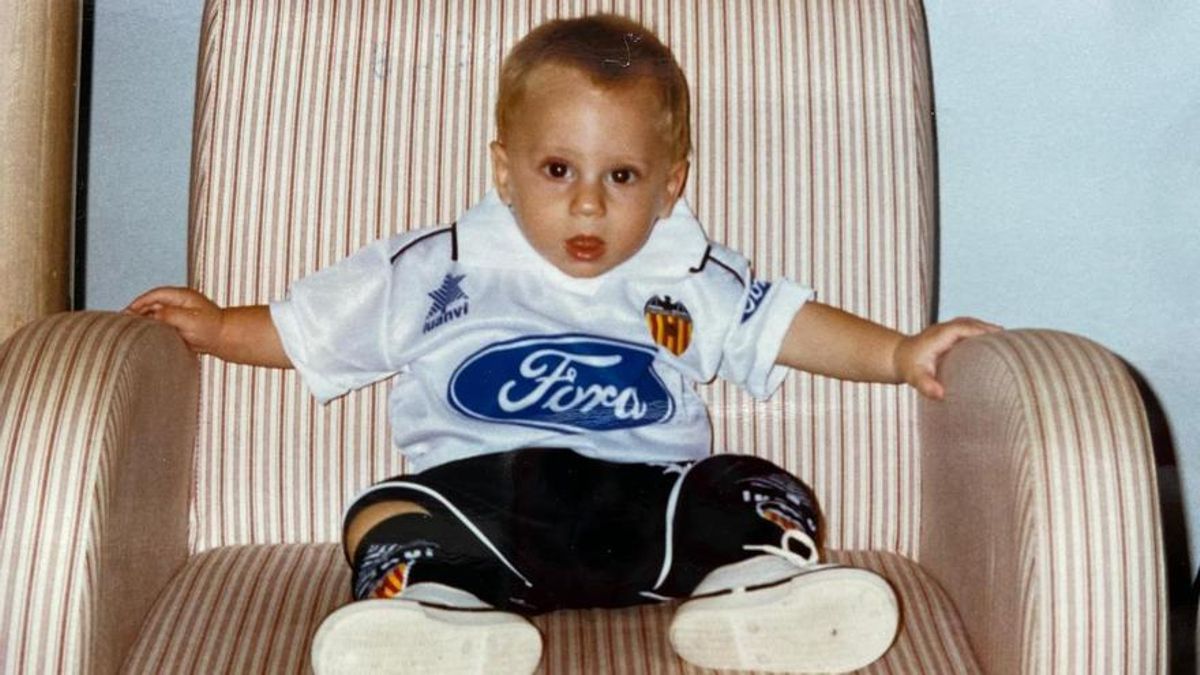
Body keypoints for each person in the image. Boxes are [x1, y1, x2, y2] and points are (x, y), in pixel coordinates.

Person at [126, 14, 998, 675]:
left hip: (644, 512)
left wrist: (897, 352)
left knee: (761, 486)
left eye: (621, 177)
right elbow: (308, 327)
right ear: (503, 169)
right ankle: (435, 617)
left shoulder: (687, 270)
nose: (589, 205)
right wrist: (216, 326)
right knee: (385, 509)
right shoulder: (438, 265)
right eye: (558, 171)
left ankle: (751, 593)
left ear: (669, 185)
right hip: (486, 504)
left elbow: (786, 323)